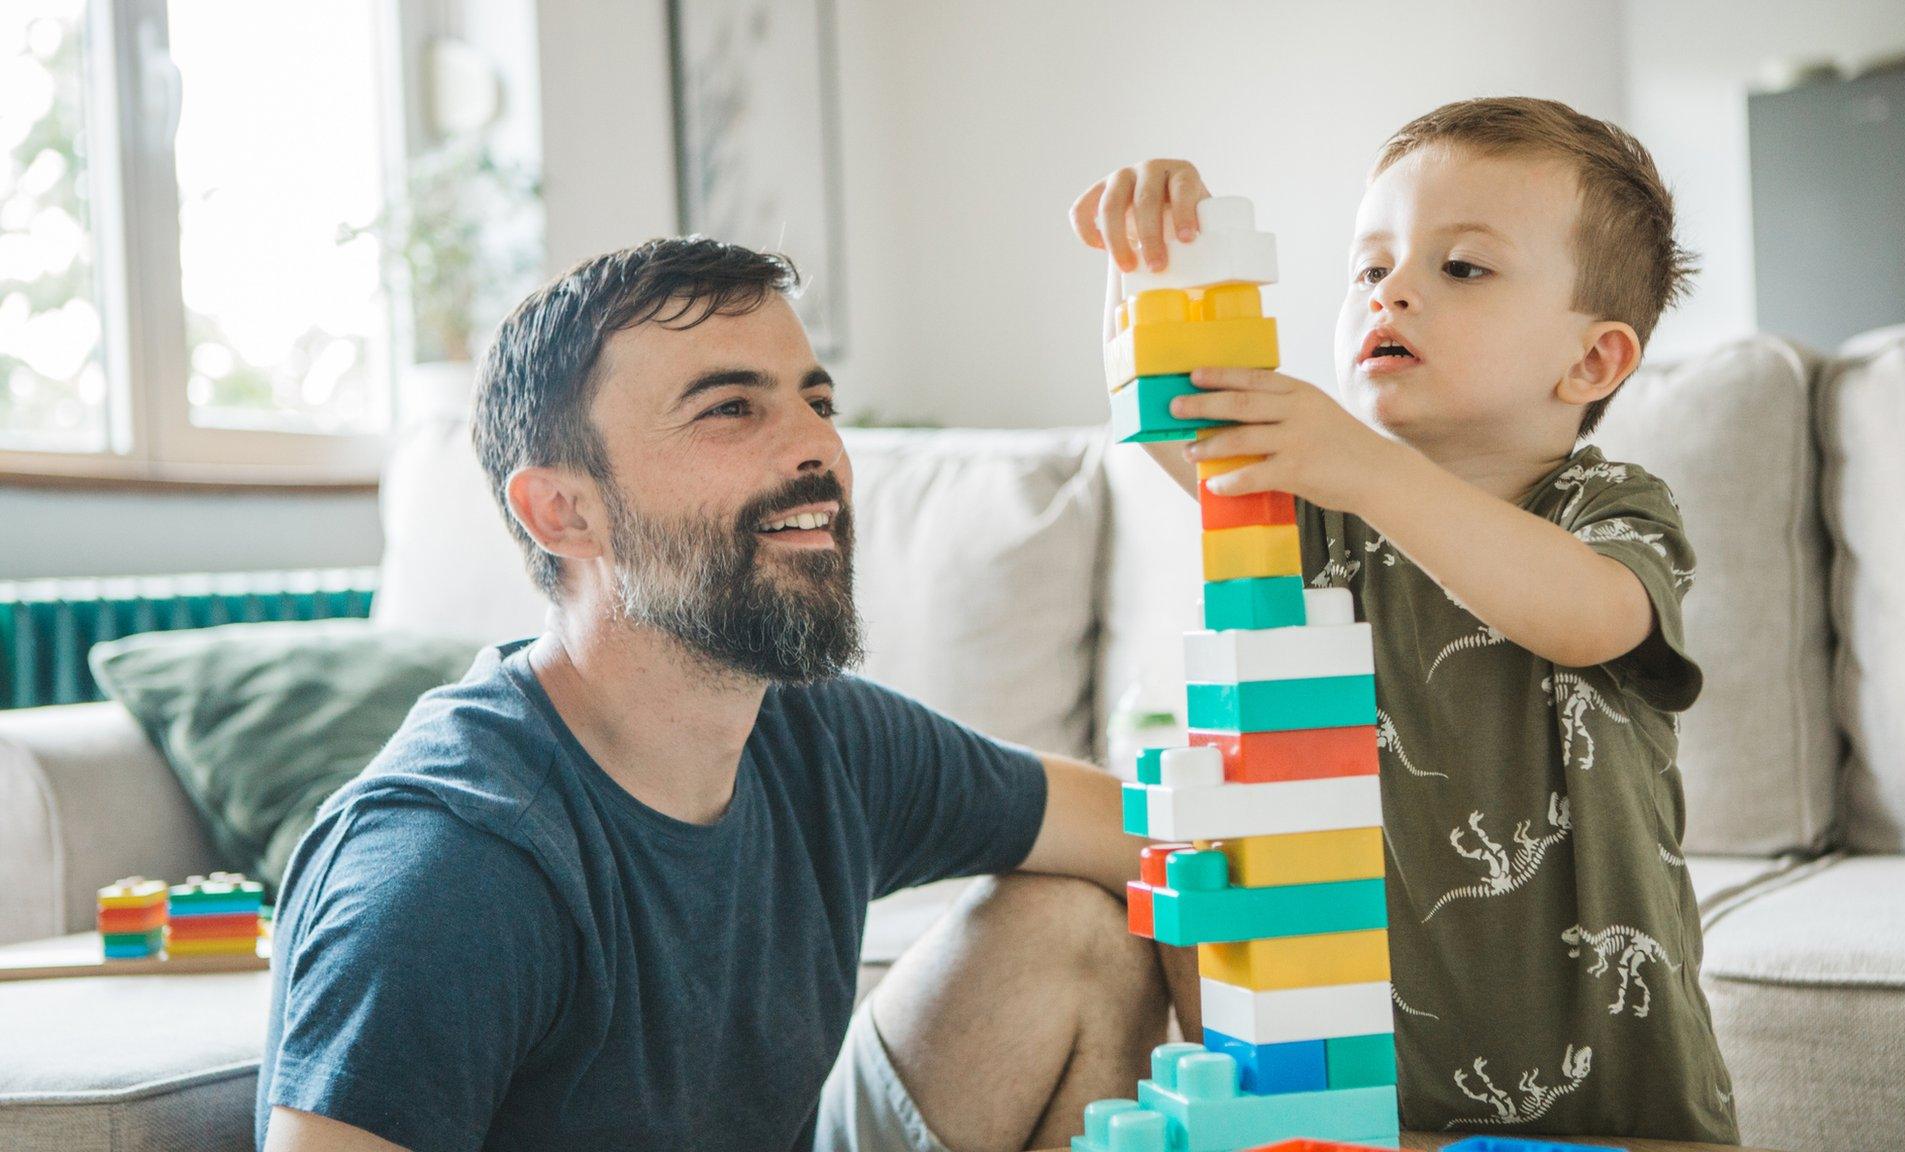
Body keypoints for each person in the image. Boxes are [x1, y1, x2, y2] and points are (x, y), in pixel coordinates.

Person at [256, 237, 1198, 1152]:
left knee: (1079, 929)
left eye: (816, 399)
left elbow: (1164, 842)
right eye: (730, 409)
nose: (821, 448)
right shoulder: (451, 868)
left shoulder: (818, 736)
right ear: (564, 511)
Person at [1071, 96, 1738, 1141]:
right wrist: (1152, 267)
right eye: (1368, 266)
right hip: (1372, 1102)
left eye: (1459, 267)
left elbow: (1590, 617)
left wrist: (1366, 468)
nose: (1392, 292)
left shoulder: (1606, 511)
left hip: (1613, 1102)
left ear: (1591, 362)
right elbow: (1176, 414)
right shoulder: (1316, 520)